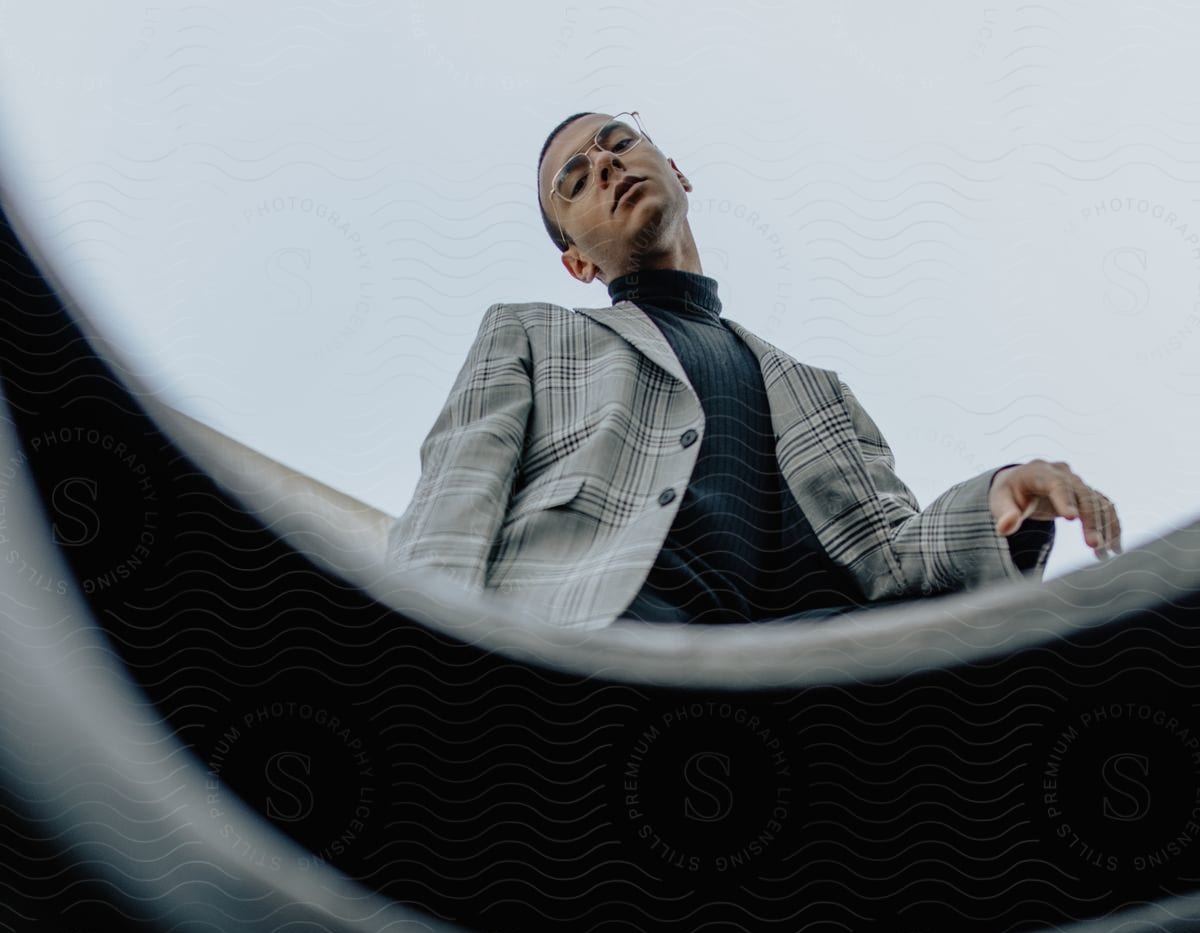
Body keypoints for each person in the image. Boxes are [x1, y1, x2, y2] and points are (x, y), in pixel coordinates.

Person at [386, 108, 1123, 632]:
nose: (606, 163)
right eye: (574, 180)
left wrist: (1003, 492)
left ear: (675, 171)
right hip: (587, 649)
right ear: (576, 262)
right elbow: (450, 513)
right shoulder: (530, 333)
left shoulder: (816, 389)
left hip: (785, 678)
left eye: (618, 142)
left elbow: (893, 554)